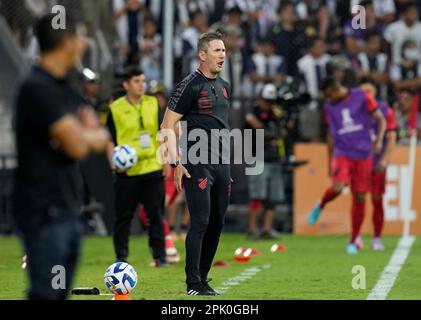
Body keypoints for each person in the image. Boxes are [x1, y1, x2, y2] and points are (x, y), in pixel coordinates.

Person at [13, 13, 110, 300]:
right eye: (79, 38)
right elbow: (79, 146)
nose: (83, 44)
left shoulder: (65, 88)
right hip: (44, 210)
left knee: (58, 293)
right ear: (67, 42)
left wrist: (87, 134)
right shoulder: (37, 88)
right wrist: (88, 134)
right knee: (47, 294)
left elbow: (94, 133)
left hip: (67, 206)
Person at [160, 32, 231, 296]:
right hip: (197, 162)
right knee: (200, 221)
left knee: (217, 223)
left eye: (224, 50)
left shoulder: (225, 86)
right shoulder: (188, 85)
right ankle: (193, 283)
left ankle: (202, 278)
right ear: (202, 55)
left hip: (222, 164)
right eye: (216, 50)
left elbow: (223, 127)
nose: (222, 55)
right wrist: (176, 162)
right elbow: (167, 125)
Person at [307, 77, 386, 255]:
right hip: (343, 153)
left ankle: (353, 240)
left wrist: (379, 141)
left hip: (364, 155)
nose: (329, 99)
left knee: (359, 197)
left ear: (335, 89)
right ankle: (321, 203)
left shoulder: (362, 96)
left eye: (329, 95)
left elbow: (381, 119)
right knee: (338, 187)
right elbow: (330, 135)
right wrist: (329, 161)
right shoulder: (329, 106)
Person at [106, 66, 168, 267]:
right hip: (127, 171)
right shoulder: (115, 108)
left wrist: (166, 159)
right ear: (126, 85)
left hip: (152, 167)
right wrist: (114, 165)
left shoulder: (152, 103)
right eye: (136, 81)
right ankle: (121, 257)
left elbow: (162, 133)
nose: (142, 85)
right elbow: (109, 140)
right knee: (123, 217)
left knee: (156, 215)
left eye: (142, 81)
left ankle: (160, 256)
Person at [358, 77, 397, 250]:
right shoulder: (353, 110)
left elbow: (391, 136)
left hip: (376, 162)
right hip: (358, 162)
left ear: (375, 93)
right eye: (363, 92)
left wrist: (385, 158)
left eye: (369, 91)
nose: (366, 95)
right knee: (358, 199)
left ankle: (377, 238)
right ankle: (356, 236)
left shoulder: (384, 110)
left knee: (377, 200)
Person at [245, 83, 285, 240]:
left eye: (271, 101)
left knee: (273, 197)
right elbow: (261, 130)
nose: (269, 104)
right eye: (267, 100)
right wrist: (272, 132)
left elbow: (281, 133)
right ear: (260, 98)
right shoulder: (252, 112)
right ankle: (252, 229)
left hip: (274, 157)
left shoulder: (276, 114)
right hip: (257, 157)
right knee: (257, 196)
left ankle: (267, 229)